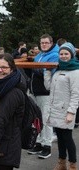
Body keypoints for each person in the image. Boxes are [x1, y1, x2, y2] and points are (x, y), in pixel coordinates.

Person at [0, 53, 27, 170]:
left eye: (4, 68)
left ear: (11, 69)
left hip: (5, 149)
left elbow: (1, 121)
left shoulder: (13, 93)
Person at [44, 42, 79, 170]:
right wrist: (47, 73)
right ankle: (61, 162)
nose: (63, 56)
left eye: (66, 54)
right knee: (60, 138)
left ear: (71, 55)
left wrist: (71, 112)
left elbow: (76, 94)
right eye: (61, 54)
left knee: (67, 138)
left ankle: (73, 165)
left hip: (66, 111)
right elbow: (49, 87)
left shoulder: (75, 71)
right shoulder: (58, 69)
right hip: (55, 110)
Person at [27, 33, 59, 159]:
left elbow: (48, 72)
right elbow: (36, 70)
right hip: (35, 91)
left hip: (45, 93)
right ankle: (39, 143)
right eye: (42, 43)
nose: (44, 45)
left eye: (46, 43)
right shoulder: (39, 55)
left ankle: (47, 146)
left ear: (51, 43)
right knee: (36, 119)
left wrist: (34, 68)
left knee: (45, 120)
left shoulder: (54, 55)